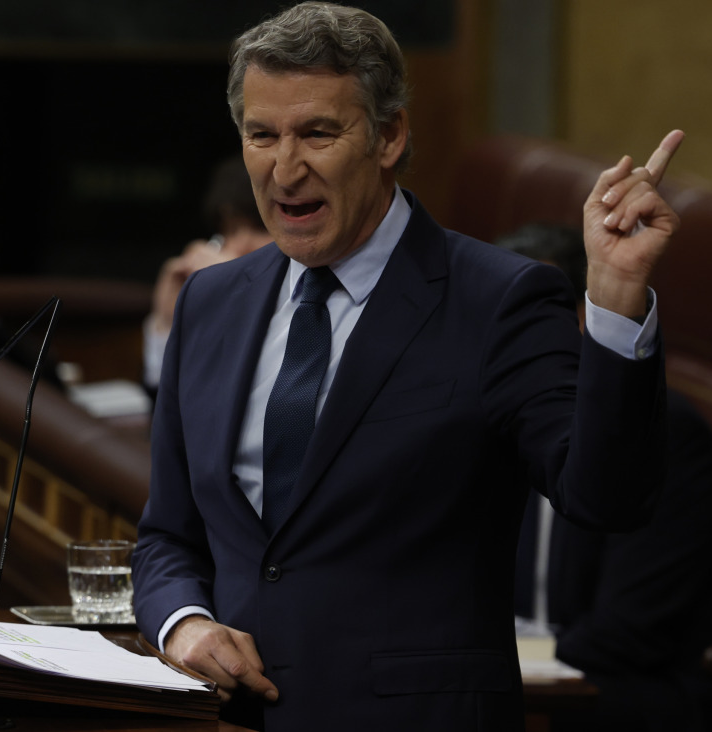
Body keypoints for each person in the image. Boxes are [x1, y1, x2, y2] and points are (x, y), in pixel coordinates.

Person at [132, 2, 683, 729]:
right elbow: (168, 535)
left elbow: (607, 497)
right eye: (261, 135)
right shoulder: (211, 300)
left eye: (318, 133)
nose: (284, 168)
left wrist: (614, 301)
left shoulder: (498, 299)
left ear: (389, 135)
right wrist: (185, 624)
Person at [501, 224, 712, 731]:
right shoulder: (498, 420)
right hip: (547, 670)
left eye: (534, 323)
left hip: (666, 688)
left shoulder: (661, 433)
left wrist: (494, 661)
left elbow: (631, 632)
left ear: (587, 320)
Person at [144, 156, 275, 392]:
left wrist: (238, 285)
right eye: (231, 231)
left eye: (259, 228)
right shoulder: (201, 280)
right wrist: (168, 321)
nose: (241, 244)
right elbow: (163, 387)